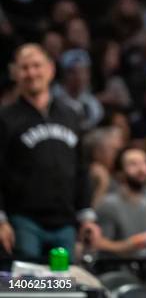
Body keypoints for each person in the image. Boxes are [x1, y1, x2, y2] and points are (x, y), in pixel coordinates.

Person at [0, 44, 98, 261]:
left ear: (51, 69)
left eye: (37, 66)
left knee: (65, 290)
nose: (32, 73)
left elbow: (82, 169)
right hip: (23, 222)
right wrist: (1, 220)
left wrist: (87, 217)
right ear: (14, 73)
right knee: (28, 290)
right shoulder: (5, 118)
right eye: (24, 67)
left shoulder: (71, 115)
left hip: (66, 224)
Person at [94, 147, 146, 258]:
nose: (142, 169)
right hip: (119, 268)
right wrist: (132, 244)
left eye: (145, 163)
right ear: (120, 172)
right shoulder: (109, 204)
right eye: (133, 164)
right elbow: (98, 244)